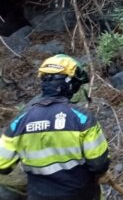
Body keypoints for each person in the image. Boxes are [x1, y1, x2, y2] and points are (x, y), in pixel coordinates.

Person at [0, 55, 110, 200]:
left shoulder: (19, 122)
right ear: (71, 85)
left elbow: (3, 164)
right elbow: (98, 164)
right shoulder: (82, 118)